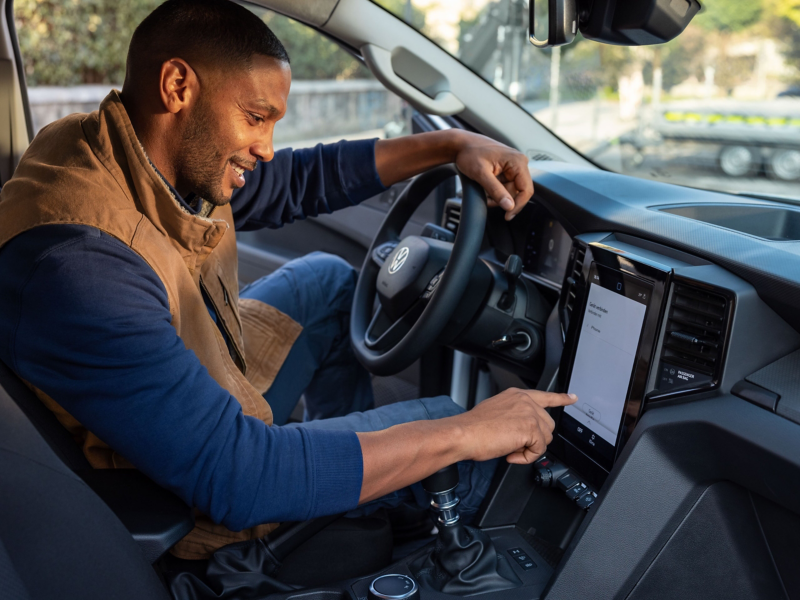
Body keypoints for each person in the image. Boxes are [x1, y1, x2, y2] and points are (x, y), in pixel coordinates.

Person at [0, 0, 575, 560]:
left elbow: (300, 182)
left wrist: (451, 145)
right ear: (178, 86)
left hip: (196, 391)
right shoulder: (81, 264)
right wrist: (469, 430)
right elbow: (239, 476)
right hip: (172, 491)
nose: (267, 147)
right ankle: (326, 520)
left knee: (325, 281)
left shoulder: (122, 147)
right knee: (453, 432)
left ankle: (345, 497)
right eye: (256, 118)